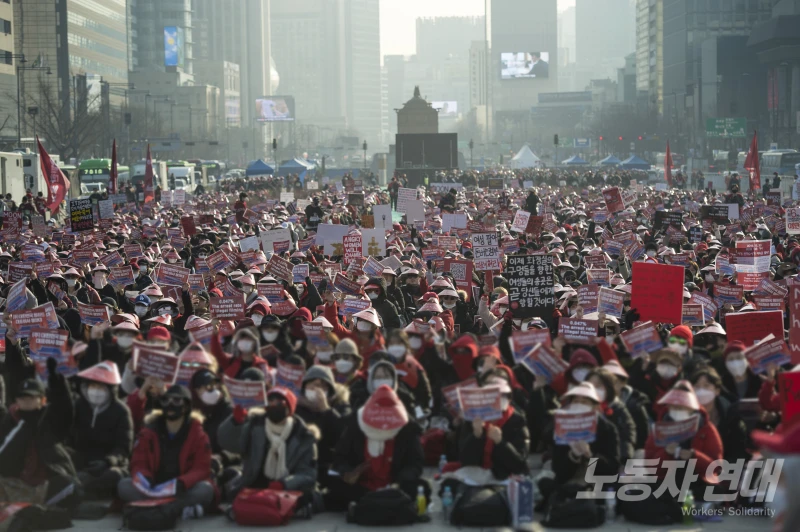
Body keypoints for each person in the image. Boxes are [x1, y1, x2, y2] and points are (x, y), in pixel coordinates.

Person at [119, 385, 217, 518]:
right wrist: (144, 477)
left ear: (186, 406)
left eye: (177, 401)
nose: (170, 404)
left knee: (205, 489)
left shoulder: (198, 435)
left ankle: (158, 507)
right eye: (166, 400)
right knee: (124, 485)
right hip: (152, 488)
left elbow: (202, 469)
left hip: (180, 489)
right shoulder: (148, 432)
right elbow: (138, 462)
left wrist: (183, 482)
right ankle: (176, 509)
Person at [217, 387, 317, 511]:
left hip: (287, 492)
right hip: (253, 488)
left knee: (308, 495)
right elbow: (229, 443)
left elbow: (307, 474)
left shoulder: (303, 436)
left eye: (279, 402)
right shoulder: (254, 425)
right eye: (270, 401)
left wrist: (284, 483)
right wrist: (235, 422)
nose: (274, 405)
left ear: (289, 407)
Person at [0, 362, 81, 509]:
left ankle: (32, 510)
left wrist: (57, 379)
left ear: (42, 400)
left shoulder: (49, 420)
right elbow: (4, 461)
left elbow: (65, 410)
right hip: (15, 482)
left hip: (46, 481)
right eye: (22, 398)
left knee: (70, 486)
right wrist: (24, 427)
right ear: (16, 401)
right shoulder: (9, 421)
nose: (26, 401)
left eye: (31, 398)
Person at [331, 385, 428, 506]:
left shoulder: (407, 429)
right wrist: (348, 473)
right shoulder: (355, 426)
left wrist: (401, 481)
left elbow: (415, 463)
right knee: (334, 487)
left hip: (396, 486)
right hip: (361, 486)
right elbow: (340, 458)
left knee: (422, 488)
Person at [72, 361, 134, 500]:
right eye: (93, 386)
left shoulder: (121, 411)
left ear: (111, 390)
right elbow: (69, 438)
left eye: (101, 387)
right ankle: (84, 489)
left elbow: (123, 448)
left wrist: (108, 461)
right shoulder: (78, 406)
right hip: (83, 462)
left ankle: (84, 490)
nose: (96, 390)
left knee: (115, 476)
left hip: (109, 465)